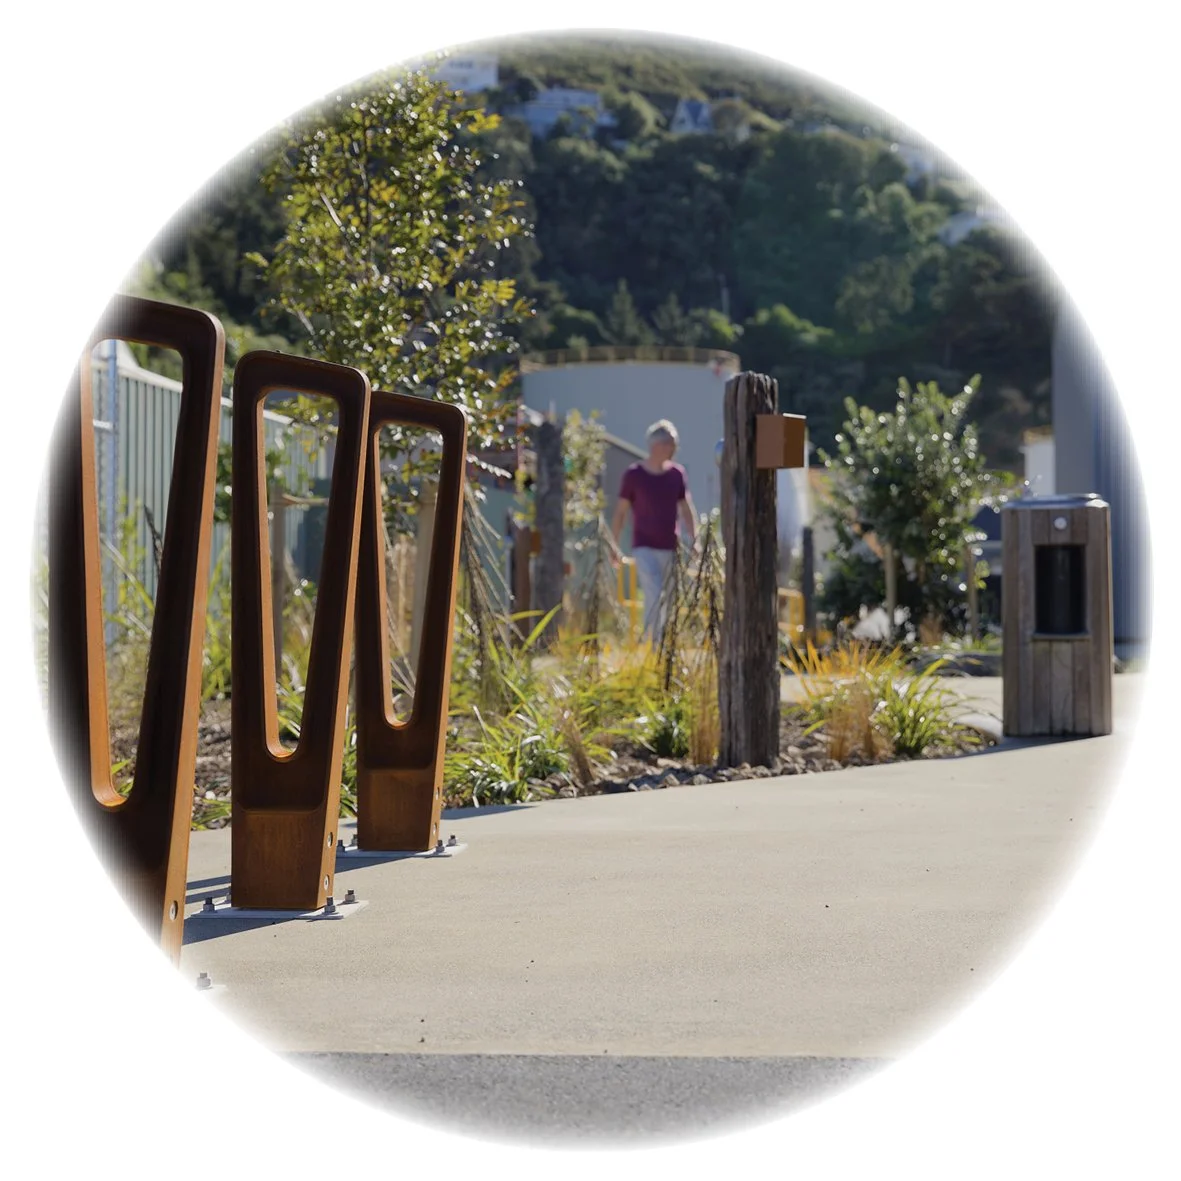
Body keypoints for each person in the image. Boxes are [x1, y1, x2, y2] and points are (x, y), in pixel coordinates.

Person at [611, 419, 697, 644]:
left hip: (670, 547)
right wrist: (614, 545)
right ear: (657, 446)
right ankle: (652, 645)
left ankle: (664, 646)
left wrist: (695, 540)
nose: (674, 449)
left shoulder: (677, 475)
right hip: (644, 546)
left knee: (668, 597)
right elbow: (620, 512)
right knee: (654, 592)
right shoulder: (634, 475)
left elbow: (686, 509)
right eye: (671, 444)